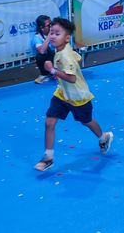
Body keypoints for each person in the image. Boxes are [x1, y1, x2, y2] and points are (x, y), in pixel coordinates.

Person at [34, 18, 114, 171]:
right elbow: (76, 57)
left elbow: (72, 78)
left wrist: (52, 70)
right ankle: (48, 157)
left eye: (57, 34)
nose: (52, 36)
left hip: (78, 96)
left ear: (67, 38)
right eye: (51, 33)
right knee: (49, 122)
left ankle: (104, 137)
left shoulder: (65, 55)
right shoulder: (62, 49)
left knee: (86, 121)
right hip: (62, 94)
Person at [32, 15, 56, 84]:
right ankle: (45, 74)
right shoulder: (37, 38)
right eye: (48, 25)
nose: (51, 27)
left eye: (52, 24)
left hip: (58, 56)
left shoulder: (56, 32)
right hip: (48, 58)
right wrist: (49, 36)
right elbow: (42, 51)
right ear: (42, 28)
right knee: (39, 56)